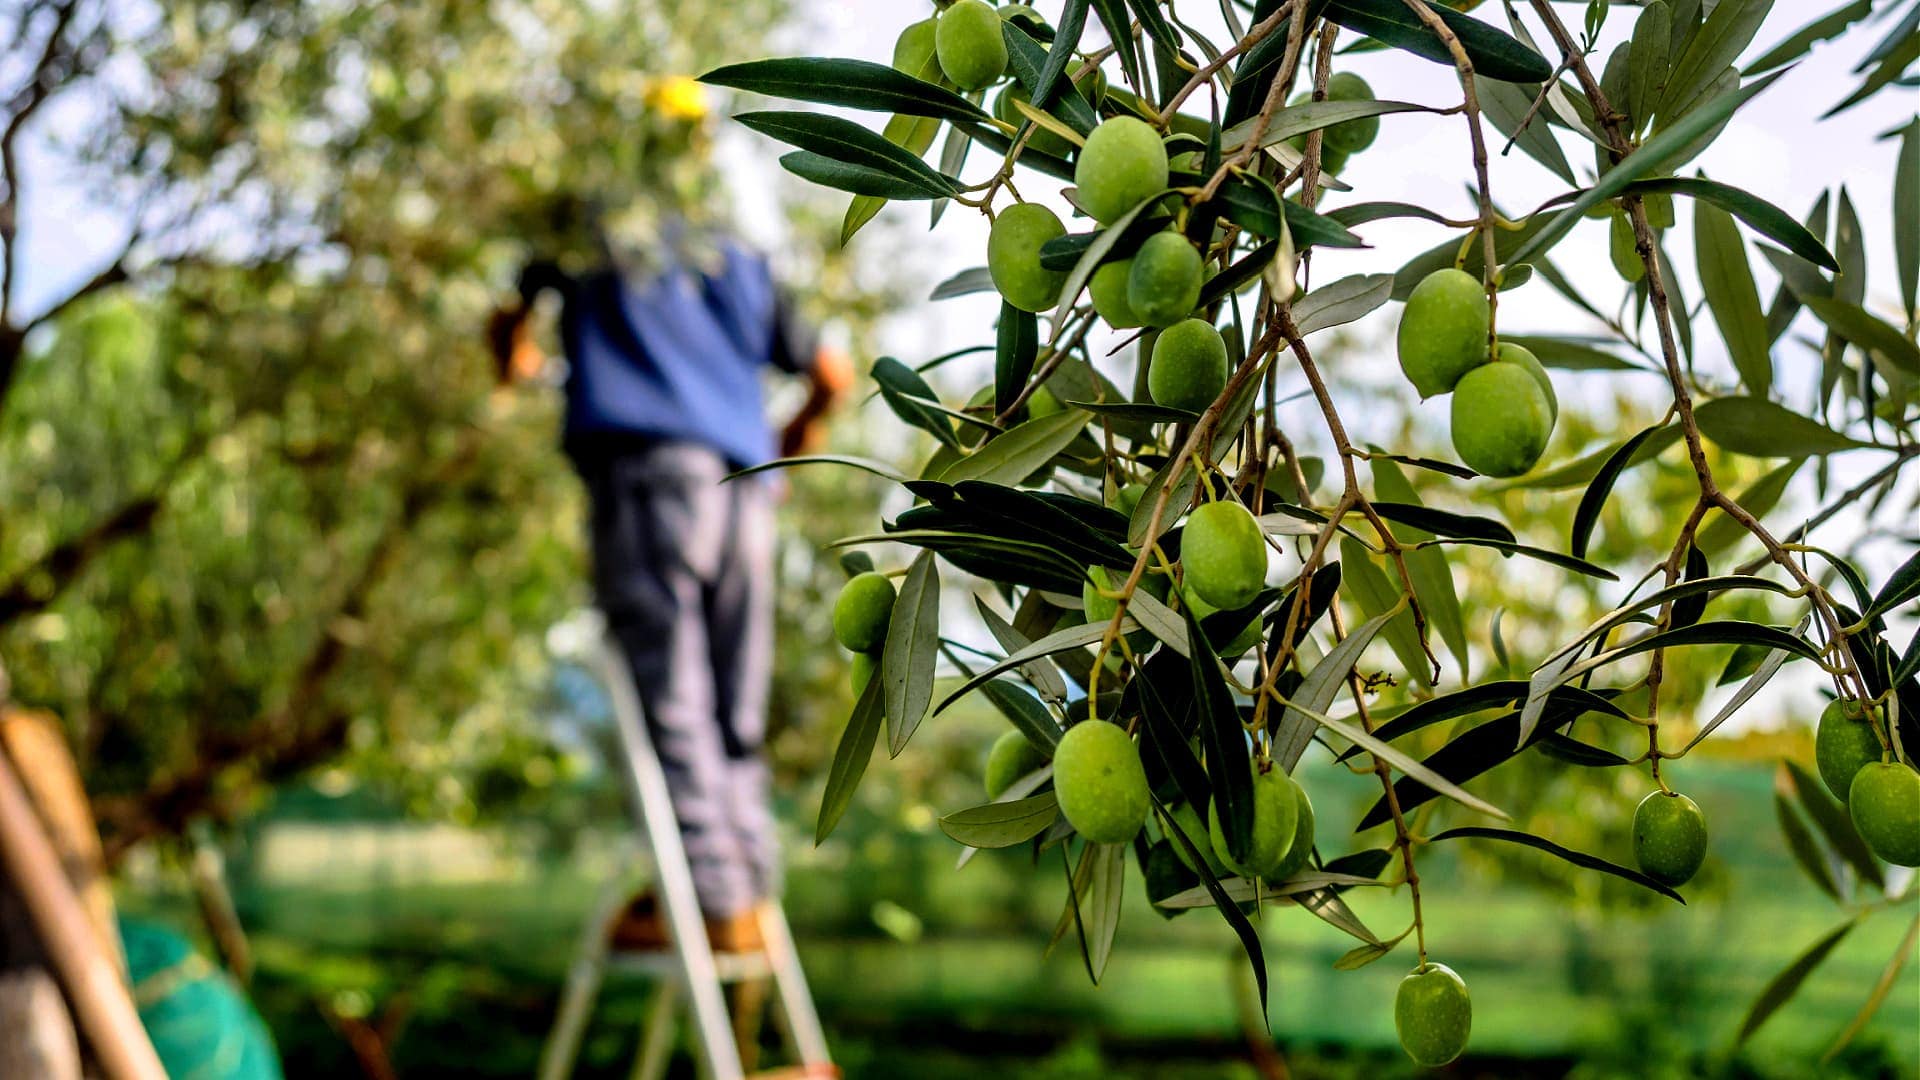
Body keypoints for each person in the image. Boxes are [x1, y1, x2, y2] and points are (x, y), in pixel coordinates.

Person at [490, 84, 851, 953]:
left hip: (653, 480)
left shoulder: (592, 223)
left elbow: (512, 320)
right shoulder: (736, 251)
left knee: (677, 700)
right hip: (746, 489)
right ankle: (744, 896)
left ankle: (718, 906)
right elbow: (832, 374)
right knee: (734, 710)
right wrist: (786, 441)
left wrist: (516, 358)